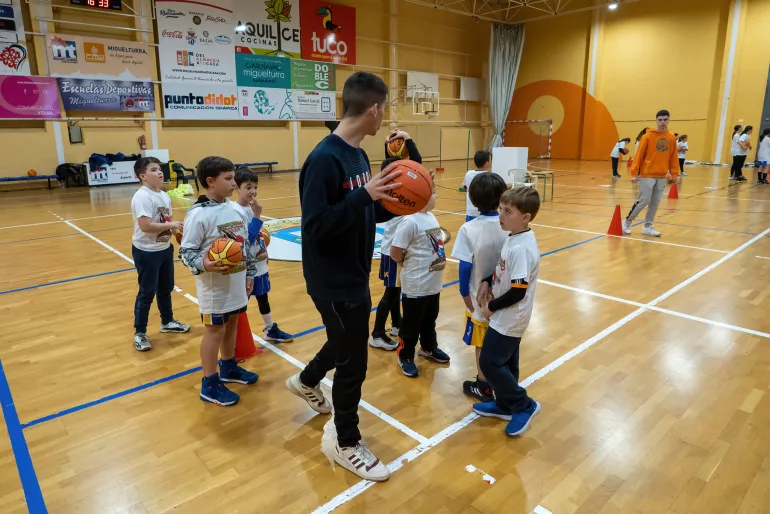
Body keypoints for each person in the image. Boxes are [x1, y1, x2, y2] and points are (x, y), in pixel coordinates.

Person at [285, 72, 401, 482]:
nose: (384, 118)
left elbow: (363, 210)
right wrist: (363, 196)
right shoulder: (324, 158)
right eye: (383, 109)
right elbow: (315, 227)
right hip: (333, 280)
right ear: (373, 109)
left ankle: (305, 380)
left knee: (342, 341)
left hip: (354, 273)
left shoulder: (358, 154)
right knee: (354, 362)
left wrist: (399, 203)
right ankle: (345, 441)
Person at [179, 157, 259, 407]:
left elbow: (245, 245)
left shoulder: (235, 209)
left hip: (236, 282)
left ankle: (229, 367)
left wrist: (249, 273)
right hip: (214, 286)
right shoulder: (198, 215)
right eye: (228, 178)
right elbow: (186, 252)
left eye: (233, 176)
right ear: (210, 182)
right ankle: (210, 384)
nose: (233, 182)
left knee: (233, 322)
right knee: (215, 331)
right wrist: (205, 264)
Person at [473, 186, 542, 437]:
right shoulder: (515, 237)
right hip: (507, 315)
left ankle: (524, 405)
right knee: (506, 363)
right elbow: (504, 271)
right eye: (501, 209)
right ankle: (505, 404)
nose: (501, 215)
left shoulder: (521, 248)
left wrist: (491, 307)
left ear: (526, 217)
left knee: (490, 363)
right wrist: (489, 281)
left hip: (511, 316)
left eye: (508, 211)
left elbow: (518, 290)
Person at [451, 172, 509, 402]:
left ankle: (483, 384)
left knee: (481, 344)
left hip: (480, 297)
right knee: (501, 339)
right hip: (505, 296)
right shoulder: (508, 225)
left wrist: (464, 292)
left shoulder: (469, 229)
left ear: (472, 198)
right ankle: (503, 379)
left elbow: (465, 267)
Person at [370, 131, 424, 351]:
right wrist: (408, 137)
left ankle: (396, 324)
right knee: (391, 292)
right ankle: (376, 333)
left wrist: (388, 144)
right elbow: (417, 162)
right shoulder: (403, 181)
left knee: (395, 290)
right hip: (393, 249)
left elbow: (395, 161)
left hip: (393, 247)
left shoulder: (388, 175)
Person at [390, 184, 450, 378]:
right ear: (421, 196)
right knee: (411, 322)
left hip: (433, 282)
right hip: (416, 283)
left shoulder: (430, 217)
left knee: (430, 318)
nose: (437, 195)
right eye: (433, 193)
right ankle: (405, 355)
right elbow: (395, 252)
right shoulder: (409, 222)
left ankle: (428, 347)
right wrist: (405, 263)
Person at [130, 157, 189, 352]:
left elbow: (166, 220)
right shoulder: (142, 197)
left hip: (164, 249)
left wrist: (179, 235)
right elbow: (145, 226)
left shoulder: (163, 195)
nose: (160, 172)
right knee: (146, 293)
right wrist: (171, 225)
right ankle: (139, 332)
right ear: (143, 176)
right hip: (146, 252)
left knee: (166, 288)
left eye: (160, 169)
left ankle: (167, 321)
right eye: (154, 170)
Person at [230, 167, 293, 342]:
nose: (253, 191)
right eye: (248, 187)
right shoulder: (235, 212)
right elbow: (246, 239)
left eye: (255, 187)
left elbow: (257, 236)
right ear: (237, 188)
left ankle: (269, 328)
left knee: (263, 296)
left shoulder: (251, 208)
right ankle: (234, 337)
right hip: (245, 268)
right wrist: (257, 216)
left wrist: (264, 251)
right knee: (241, 303)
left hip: (259, 263)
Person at [622, 110, 679, 237]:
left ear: (669, 120)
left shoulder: (671, 137)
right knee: (643, 200)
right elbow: (639, 155)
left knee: (655, 202)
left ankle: (648, 226)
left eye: (665, 119)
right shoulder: (647, 136)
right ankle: (626, 222)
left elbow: (673, 157)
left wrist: (674, 174)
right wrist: (634, 173)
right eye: (660, 120)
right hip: (647, 174)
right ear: (656, 121)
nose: (662, 122)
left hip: (662, 175)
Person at [461, 151, 492, 221]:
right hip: (484, 212)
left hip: (470, 211)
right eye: (490, 160)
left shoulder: (468, 173)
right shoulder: (489, 176)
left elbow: (464, 187)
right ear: (486, 163)